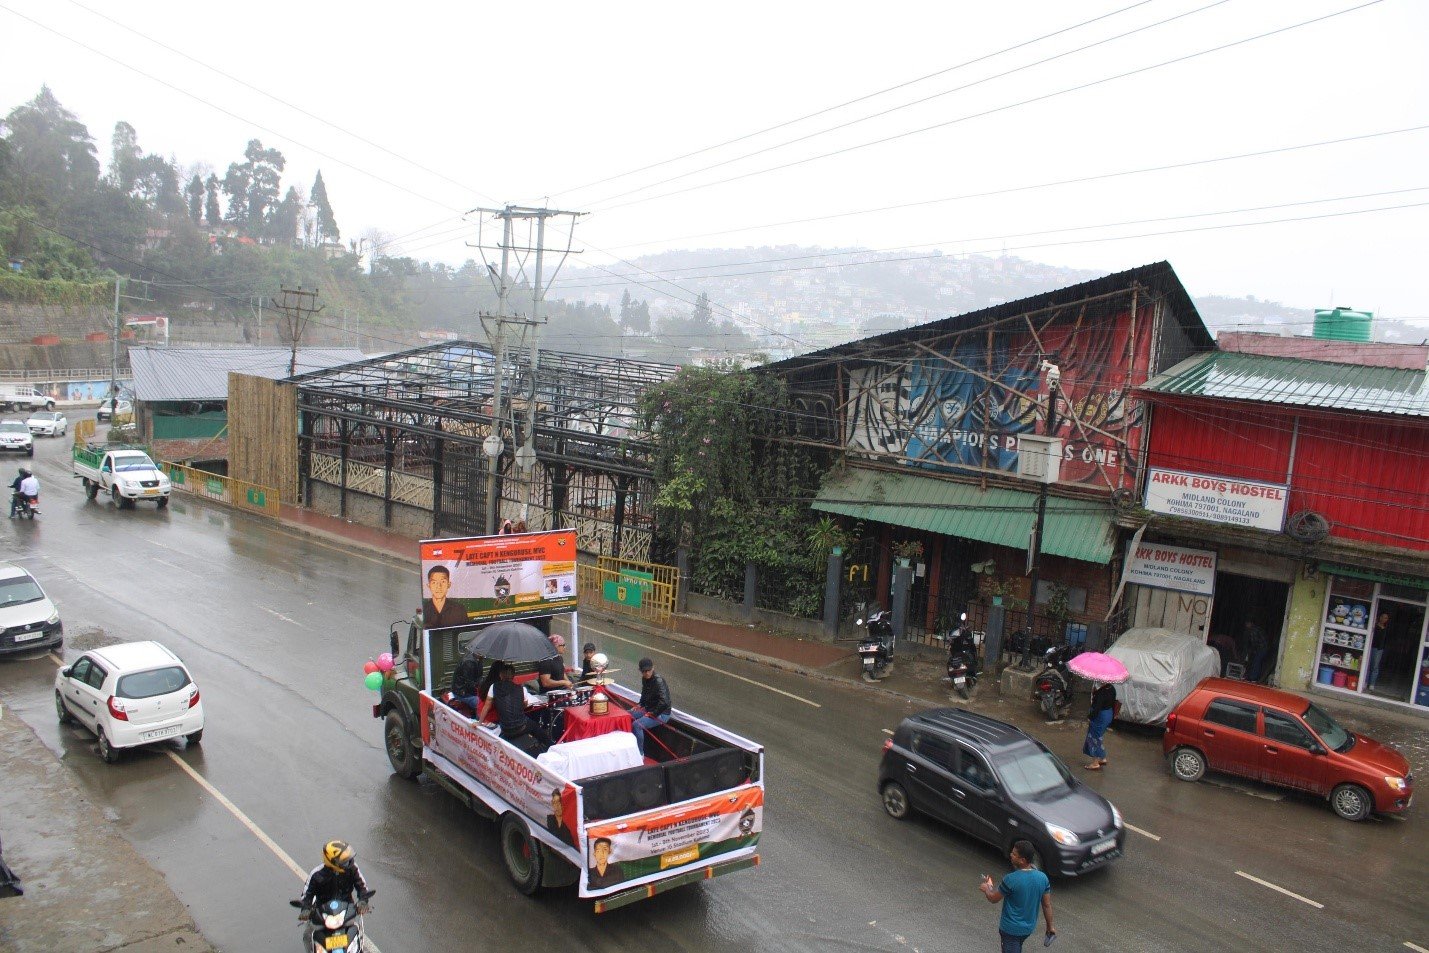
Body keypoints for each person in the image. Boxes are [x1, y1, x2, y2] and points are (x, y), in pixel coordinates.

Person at [979, 840, 1055, 953]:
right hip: (1028, 929)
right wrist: (1050, 927)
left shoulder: (1011, 879)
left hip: (1011, 930)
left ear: (1022, 860)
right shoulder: (1043, 878)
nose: (1011, 854)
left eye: (1014, 854)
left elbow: (993, 898)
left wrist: (986, 889)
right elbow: (1046, 905)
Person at [479, 662, 553, 754]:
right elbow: (525, 705)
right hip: (521, 727)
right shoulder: (521, 689)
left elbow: (486, 706)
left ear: (500, 675)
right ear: (514, 676)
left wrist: (479, 722)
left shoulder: (493, 687)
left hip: (505, 729)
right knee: (536, 727)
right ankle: (551, 746)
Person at [300, 840, 372, 911]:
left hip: (347, 908)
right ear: (332, 862)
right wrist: (306, 908)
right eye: (344, 861)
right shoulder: (316, 874)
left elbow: (362, 886)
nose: (348, 863)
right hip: (322, 910)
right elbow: (307, 895)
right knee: (308, 923)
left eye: (348, 860)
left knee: (355, 923)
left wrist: (363, 900)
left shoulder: (352, 868)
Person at [630, 657, 672, 755]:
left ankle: (640, 753)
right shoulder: (644, 679)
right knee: (628, 715)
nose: (647, 673)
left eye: (648, 670)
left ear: (653, 668)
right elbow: (644, 693)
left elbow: (665, 702)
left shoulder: (659, 681)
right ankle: (630, 746)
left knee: (637, 725)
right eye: (644, 671)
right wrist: (640, 704)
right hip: (650, 709)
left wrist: (653, 714)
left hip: (661, 713)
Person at [422, 565, 469, 630]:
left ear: (449, 584)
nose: (439, 586)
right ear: (429, 585)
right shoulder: (424, 610)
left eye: (443, 581)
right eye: (434, 582)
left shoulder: (459, 610)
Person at [1083, 681, 1116, 770]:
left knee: (1094, 738)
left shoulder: (1101, 692)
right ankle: (1102, 758)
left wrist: (1090, 717)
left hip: (1100, 716)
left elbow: (1097, 707)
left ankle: (1095, 763)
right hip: (1108, 714)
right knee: (1099, 736)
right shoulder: (1112, 688)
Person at [1368, 611, 1390, 689]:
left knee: (1375, 666)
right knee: (1367, 664)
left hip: (1379, 649)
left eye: (1386, 618)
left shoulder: (1386, 629)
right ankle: (1365, 681)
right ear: (1380, 617)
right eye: (1383, 617)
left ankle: (1371, 684)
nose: (1385, 619)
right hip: (1371, 647)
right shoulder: (1374, 626)